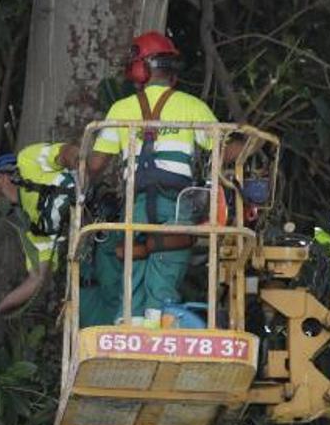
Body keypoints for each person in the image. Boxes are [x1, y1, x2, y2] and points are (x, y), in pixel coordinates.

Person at [82, 31, 238, 327]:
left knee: (134, 272)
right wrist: (249, 145)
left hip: (135, 204)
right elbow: (221, 153)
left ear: (141, 68)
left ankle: (128, 329)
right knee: (167, 266)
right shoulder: (192, 106)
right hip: (178, 203)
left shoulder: (121, 110)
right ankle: (158, 330)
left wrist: (69, 159)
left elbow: (95, 165)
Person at [0, 142, 81, 314]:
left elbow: (66, 152)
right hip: (93, 240)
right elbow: (37, 279)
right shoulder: (34, 227)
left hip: (99, 210)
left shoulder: (26, 159)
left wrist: (82, 176)